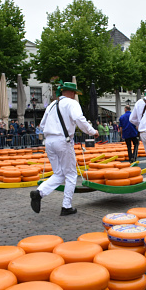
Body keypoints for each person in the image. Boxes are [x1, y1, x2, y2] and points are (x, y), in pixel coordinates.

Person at [30, 82, 98, 216]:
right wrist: (92, 131)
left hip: (49, 141)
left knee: (58, 173)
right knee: (71, 174)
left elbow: (42, 124)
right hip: (63, 140)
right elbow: (79, 119)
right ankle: (66, 206)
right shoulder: (72, 103)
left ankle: (39, 192)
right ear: (72, 93)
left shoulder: (51, 105)